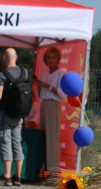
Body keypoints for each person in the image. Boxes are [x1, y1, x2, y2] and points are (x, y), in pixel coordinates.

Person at [0, 48, 26, 186]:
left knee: (5, 142)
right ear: (16, 57)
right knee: (17, 143)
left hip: (5, 113)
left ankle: (7, 176)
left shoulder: (2, 74)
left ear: (3, 57)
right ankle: (18, 176)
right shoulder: (24, 71)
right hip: (19, 114)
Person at [35, 47, 67, 175]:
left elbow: (62, 94)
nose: (50, 60)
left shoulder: (61, 73)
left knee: (52, 137)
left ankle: (53, 172)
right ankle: (44, 169)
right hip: (44, 104)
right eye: (48, 57)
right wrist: (38, 85)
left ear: (58, 59)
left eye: (53, 57)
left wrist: (46, 86)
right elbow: (41, 93)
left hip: (54, 105)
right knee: (44, 136)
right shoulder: (45, 74)